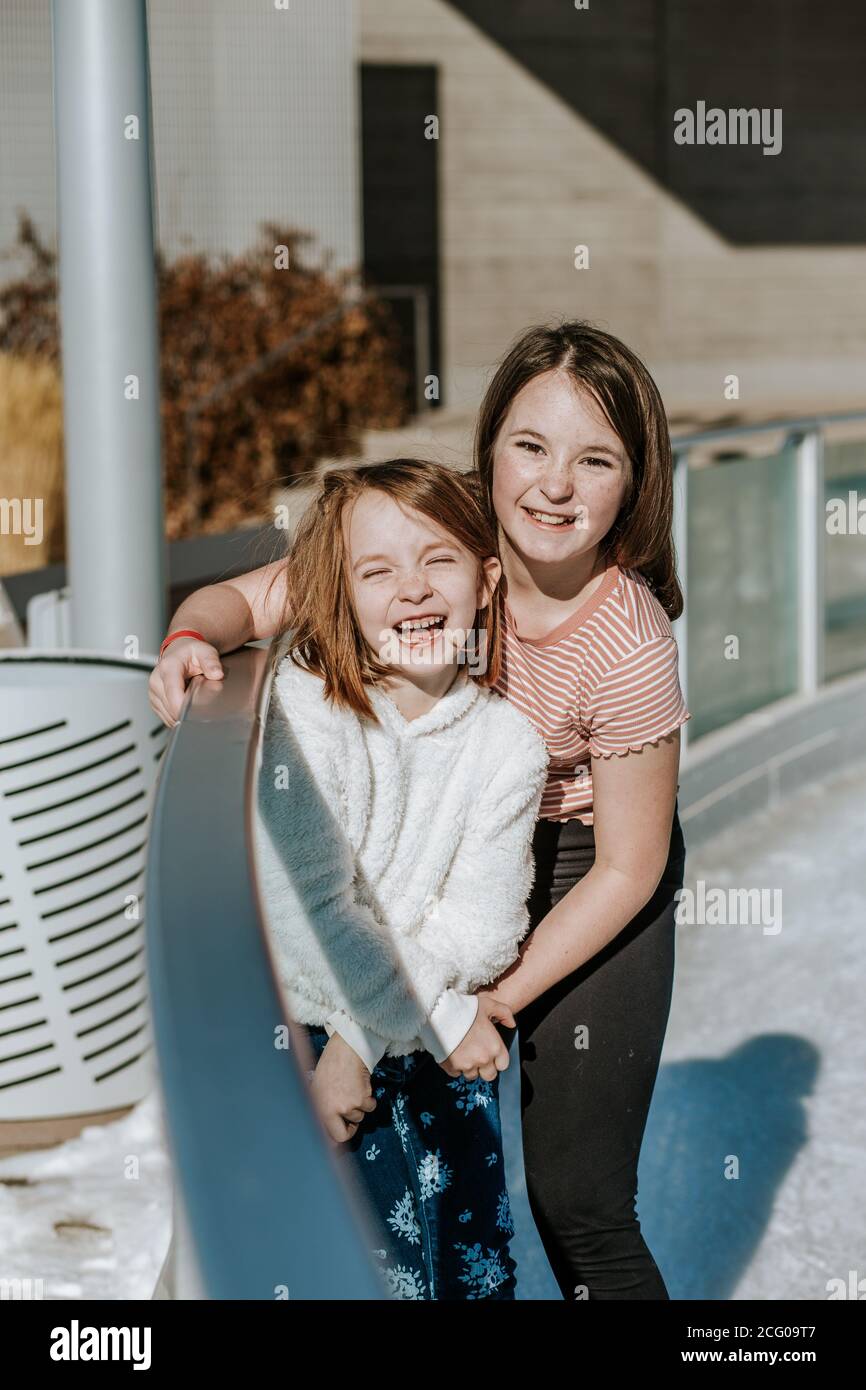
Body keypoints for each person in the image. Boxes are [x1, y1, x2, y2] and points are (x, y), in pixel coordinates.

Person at [150, 319, 691, 1300]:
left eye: (594, 459)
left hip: (584, 858)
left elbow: (629, 866)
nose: (553, 485)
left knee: (578, 1198)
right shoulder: (441, 530)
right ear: (488, 450)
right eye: (528, 447)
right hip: (446, 831)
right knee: (375, 1142)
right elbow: (265, 597)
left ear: (633, 485)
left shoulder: (628, 639)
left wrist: (487, 999)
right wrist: (193, 635)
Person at [249, 459, 549, 1300]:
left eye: (438, 560)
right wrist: (404, 1020)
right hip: (304, 1041)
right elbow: (308, 911)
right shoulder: (307, 707)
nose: (411, 590)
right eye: (376, 571)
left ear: (487, 579)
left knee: (465, 1271)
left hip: (424, 1047)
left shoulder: (508, 747)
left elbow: (485, 927)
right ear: (339, 594)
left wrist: (364, 1039)